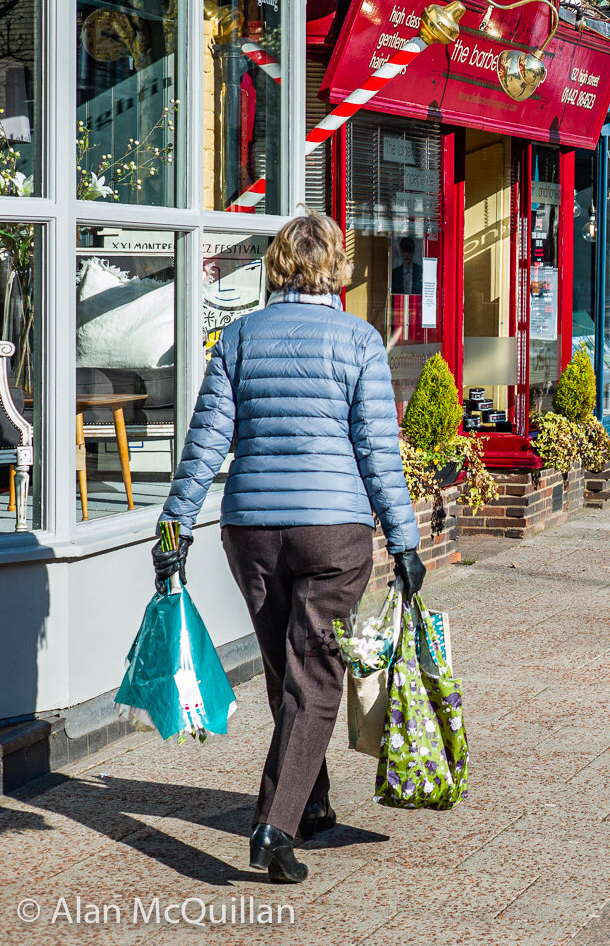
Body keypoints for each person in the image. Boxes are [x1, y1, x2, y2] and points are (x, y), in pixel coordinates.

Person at [156, 213, 423, 884]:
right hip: (334, 531)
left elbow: (206, 444)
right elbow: (378, 454)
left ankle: (312, 803)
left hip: (251, 531)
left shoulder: (239, 338)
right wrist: (405, 539)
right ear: (336, 267)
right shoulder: (359, 340)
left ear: (276, 266)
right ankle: (275, 824)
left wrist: (171, 531)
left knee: (287, 670)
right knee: (315, 674)